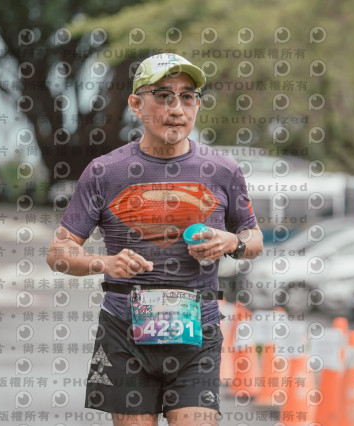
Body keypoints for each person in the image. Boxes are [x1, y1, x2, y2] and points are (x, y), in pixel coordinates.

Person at [46, 53, 263, 426]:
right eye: (163, 96)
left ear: (197, 104)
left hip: (198, 335)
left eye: (187, 97)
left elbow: (253, 237)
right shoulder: (104, 172)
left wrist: (231, 242)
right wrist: (104, 263)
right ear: (136, 104)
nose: (176, 109)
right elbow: (58, 253)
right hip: (124, 333)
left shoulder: (223, 171)